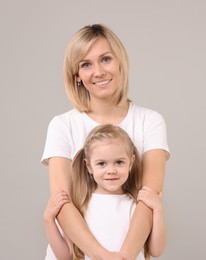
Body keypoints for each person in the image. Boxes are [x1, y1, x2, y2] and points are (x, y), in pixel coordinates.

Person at [41, 24, 170, 260]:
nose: (98, 71)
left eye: (106, 59)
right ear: (76, 75)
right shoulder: (62, 125)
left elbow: (148, 198)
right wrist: (101, 255)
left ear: (120, 61)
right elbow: (63, 204)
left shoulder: (150, 121)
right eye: (86, 64)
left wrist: (125, 256)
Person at [43, 124, 167, 260]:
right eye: (102, 163)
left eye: (119, 162)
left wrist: (158, 210)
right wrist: (49, 220)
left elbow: (156, 250)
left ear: (131, 163)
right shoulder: (81, 207)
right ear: (88, 166)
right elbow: (65, 255)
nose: (111, 170)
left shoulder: (137, 206)